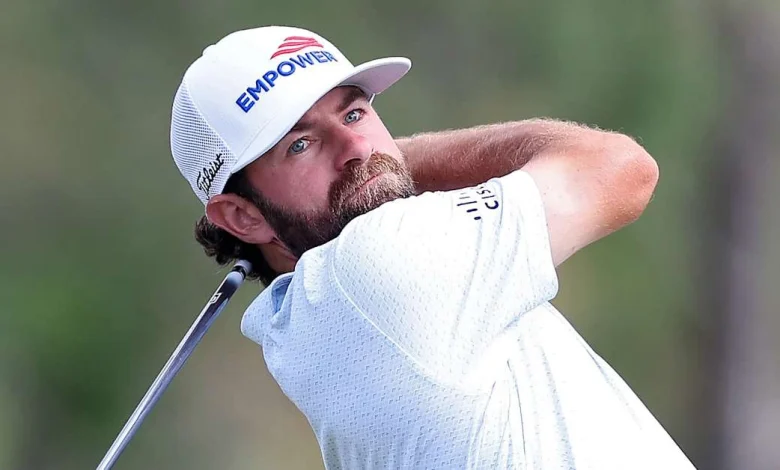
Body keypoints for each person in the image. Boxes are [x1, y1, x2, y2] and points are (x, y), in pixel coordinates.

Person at [170, 25, 695, 469]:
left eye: (354, 114)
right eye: (301, 145)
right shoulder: (374, 264)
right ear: (242, 216)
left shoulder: (307, 323)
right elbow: (620, 169)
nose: (358, 147)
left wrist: (374, 172)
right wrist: (389, 165)